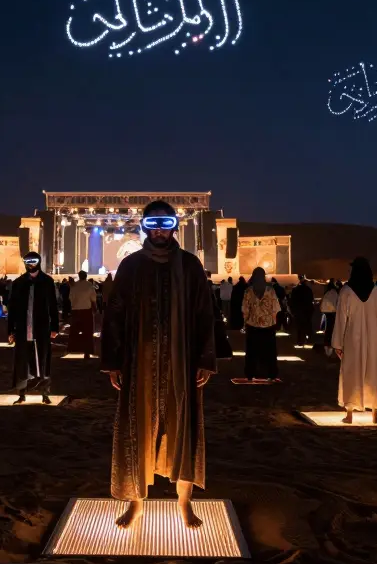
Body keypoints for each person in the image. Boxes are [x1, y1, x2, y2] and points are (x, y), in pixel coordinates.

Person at [102, 201, 216, 529]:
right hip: (140, 365)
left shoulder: (190, 266)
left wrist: (205, 360)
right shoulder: (131, 266)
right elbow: (115, 314)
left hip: (182, 365)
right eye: (153, 225)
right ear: (145, 227)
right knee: (138, 430)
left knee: (184, 430)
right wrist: (114, 363)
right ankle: (136, 504)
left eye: (165, 224)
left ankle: (184, 504)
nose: (159, 231)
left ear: (174, 227)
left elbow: (204, 314)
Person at [332, 258, 377, 423]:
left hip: (352, 339)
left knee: (352, 372)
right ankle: (375, 414)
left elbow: (341, 319)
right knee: (374, 374)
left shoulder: (346, 291)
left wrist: (338, 343)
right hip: (375, 339)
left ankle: (349, 413)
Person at [8, 252, 60, 403]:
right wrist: (10, 330)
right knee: (22, 361)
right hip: (23, 329)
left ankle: (44, 393)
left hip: (41, 328)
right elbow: (13, 308)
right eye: (28, 261)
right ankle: (22, 393)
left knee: (43, 360)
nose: (31, 264)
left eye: (34, 261)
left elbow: (53, 306)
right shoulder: (18, 283)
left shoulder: (47, 282)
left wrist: (55, 327)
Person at [241, 267, 281, 382]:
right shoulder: (270, 290)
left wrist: (246, 323)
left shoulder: (248, 291)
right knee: (270, 351)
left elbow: (245, 310)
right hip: (268, 326)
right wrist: (273, 321)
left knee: (252, 352)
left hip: (252, 325)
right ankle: (271, 374)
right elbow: (276, 309)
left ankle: (250, 373)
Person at [67, 270, 98, 358]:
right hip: (86, 311)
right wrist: (95, 309)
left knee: (74, 332)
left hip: (76, 311)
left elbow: (70, 298)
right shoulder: (89, 285)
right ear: (86, 276)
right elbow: (93, 299)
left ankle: (73, 350)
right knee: (88, 332)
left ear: (79, 276)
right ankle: (87, 352)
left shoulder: (74, 286)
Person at [289, 280, 315, 346]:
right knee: (306, 324)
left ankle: (300, 341)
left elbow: (292, 301)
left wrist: (292, 311)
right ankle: (307, 338)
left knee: (299, 326)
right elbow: (311, 299)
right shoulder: (308, 289)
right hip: (306, 310)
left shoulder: (295, 290)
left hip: (298, 310)